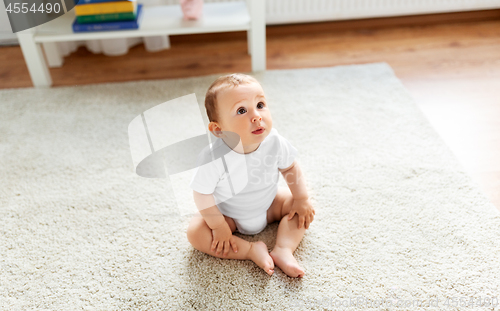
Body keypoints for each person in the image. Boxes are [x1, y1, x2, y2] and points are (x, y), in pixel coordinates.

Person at [187, 73, 315, 278]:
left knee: (301, 208)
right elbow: (202, 194)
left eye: (260, 105)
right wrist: (218, 226)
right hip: (229, 214)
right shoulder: (213, 157)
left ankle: (283, 249)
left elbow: (290, 168)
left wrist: (301, 198)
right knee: (196, 233)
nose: (256, 116)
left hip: (270, 205)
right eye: (241, 110)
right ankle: (250, 250)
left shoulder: (274, 141)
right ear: (218, 130)